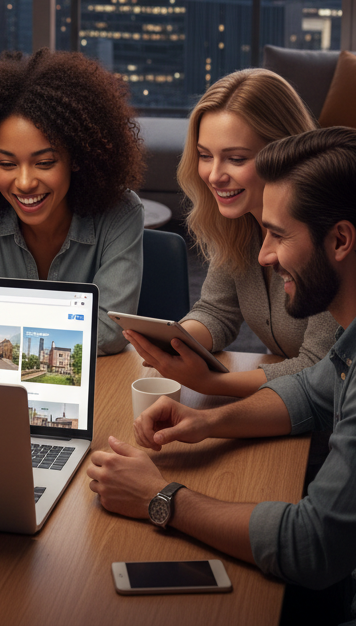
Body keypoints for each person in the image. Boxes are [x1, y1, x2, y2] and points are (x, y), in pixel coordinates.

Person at [87, 127, 356, 624]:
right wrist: (204, 422)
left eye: (278, 234)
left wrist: (158, 497)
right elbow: (310, 394)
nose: (264, 255)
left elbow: (312, 545)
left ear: (340, 239)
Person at [123, 68, 336, 396]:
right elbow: (216, 311)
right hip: (291, 401)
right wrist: (177, 342)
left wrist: (215, 384)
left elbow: (318, 366)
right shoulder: (239, 221)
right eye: (205, 156)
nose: (214, 175)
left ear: (285, 151)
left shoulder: (324, 236)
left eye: (236, 158)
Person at [0, 49, 146, 355]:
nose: (23, 182)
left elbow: (111, 331)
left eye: (44, 163)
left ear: (76, 157)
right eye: (6, 164)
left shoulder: (121, 212)